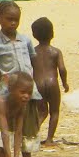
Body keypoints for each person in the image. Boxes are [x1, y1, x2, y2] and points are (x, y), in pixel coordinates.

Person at [0, 1, 45, 157]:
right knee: (7, 127)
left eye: (16, 20)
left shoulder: (25, 41)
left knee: (28, 127)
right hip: (7, 92)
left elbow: (33, 61)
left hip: (28, 91)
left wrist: (36, 82)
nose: (13, 23)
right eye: (9, 19)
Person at [30, 17, 68, 146]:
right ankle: (49, 139)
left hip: (38, 83)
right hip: (52, 83)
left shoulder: (32, 52)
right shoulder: (56, 52)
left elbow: (29, 69)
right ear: (52, 33)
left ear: (34, 35)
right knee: (54, 112)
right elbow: (62, 69)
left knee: (41, 111)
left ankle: (32, 133)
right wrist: (65, 83)